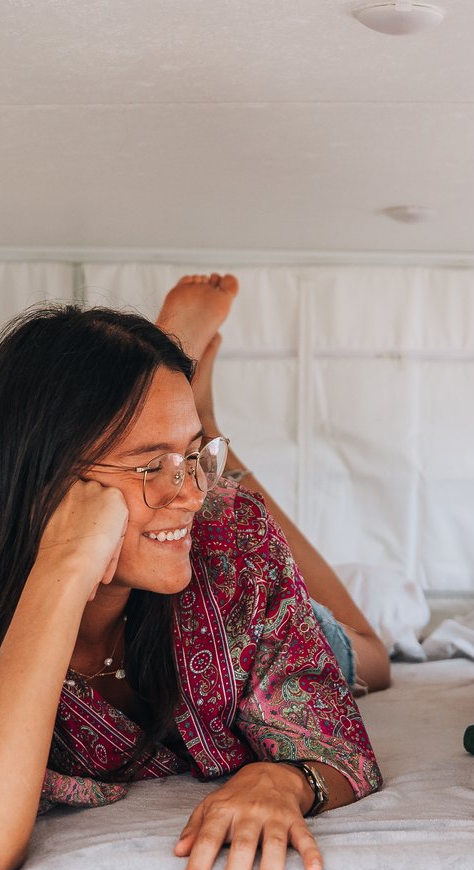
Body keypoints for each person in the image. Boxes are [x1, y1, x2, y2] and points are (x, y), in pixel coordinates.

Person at [0, 305, 380, 870]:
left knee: (371, 656)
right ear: (46, 481)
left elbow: (337, 746)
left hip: (265, 622)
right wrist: (63, 573)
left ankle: (204, 411)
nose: (194, 493)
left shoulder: (232, 539)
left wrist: (277, 778)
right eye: (152, 466)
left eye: (196, 453)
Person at [153, 272, 395, 693]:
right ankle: (189, 410)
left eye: (194, 452)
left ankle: (175, 397)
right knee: (372, 656)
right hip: (216, 617)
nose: (194, 491)